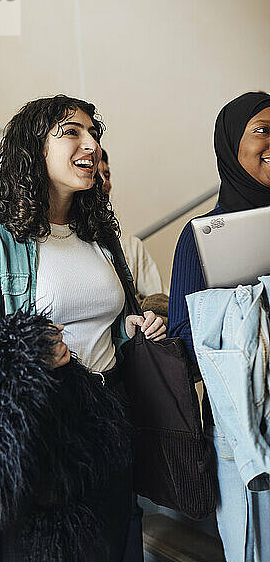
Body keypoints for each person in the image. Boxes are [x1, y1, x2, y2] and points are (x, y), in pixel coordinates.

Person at [0, 94, 166, 560]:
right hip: (43, 428)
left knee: (109, 544)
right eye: (72, 132)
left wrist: (135, 325)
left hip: (111, 416)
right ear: (35, 149)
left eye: (94, 133)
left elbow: (106, 327)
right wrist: (29, 352)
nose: (90, 143)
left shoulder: (101, 239)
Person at [168, 91, 270, 561]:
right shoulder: (200, 238)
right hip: (240, 430)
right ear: (231, 145)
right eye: (263, 130)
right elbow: (184, 344)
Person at [98, 148, 168, 317]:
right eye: (95, 175)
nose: (104, 182)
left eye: (107, 175)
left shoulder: (130, 244)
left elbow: (161, 300)